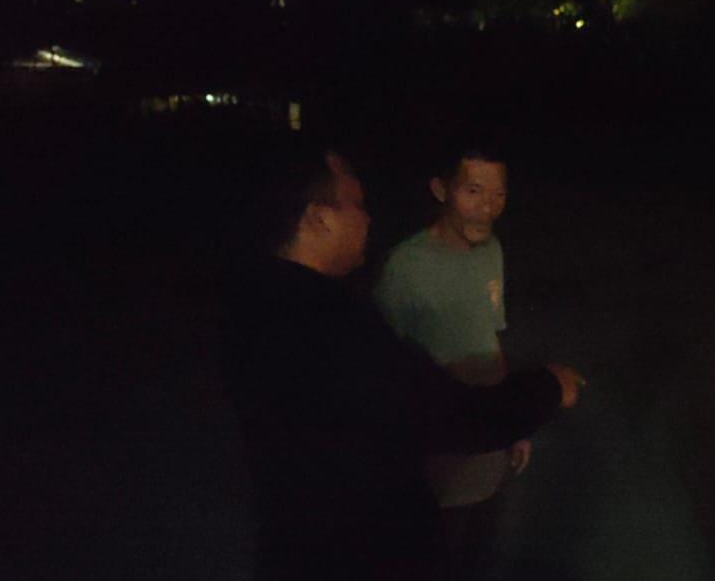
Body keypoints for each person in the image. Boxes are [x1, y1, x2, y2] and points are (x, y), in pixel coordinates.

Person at [219, 136, 584, 580]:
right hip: (369, 538)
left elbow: (481, 344)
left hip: (365, 515)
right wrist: (546, 389)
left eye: (499, 193)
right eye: (357, 204)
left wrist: (513, 421)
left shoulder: (265, 303)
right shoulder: (338, 320)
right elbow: (439, 412)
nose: (368, 217)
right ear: (319, 218)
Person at [373, 145, 524, 579]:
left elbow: (491, 336)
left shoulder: (492, 251)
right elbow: (380, 368)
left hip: (489, 453)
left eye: (498, 194)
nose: (488, 207)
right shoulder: (405, 267)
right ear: (441, 189)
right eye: (473, 191)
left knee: (480, 557)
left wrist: (513, 420)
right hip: (436, 467)